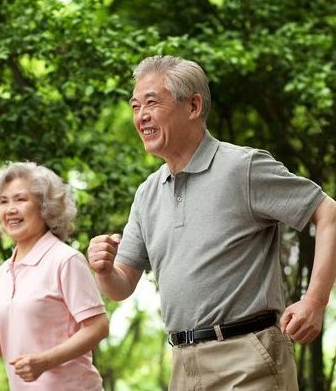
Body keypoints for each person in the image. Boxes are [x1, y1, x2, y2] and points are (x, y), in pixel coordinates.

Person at [87, 55, 336, 390]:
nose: (141, 116)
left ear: (193, 106)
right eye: (135, 106)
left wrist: (314, 302)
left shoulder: (242, 167)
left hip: (248, 359)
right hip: (183, 364)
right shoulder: (147, 194)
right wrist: (103, 269)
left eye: (151, 103)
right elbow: (120, 287)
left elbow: (328, 212)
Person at [0, 161, 109, 390]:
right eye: (3, 202)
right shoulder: (3, 274)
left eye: (20, 199)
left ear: (45, 207)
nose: (10, 209)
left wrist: (45, 361)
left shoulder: (65, 260)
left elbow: (98, 326)